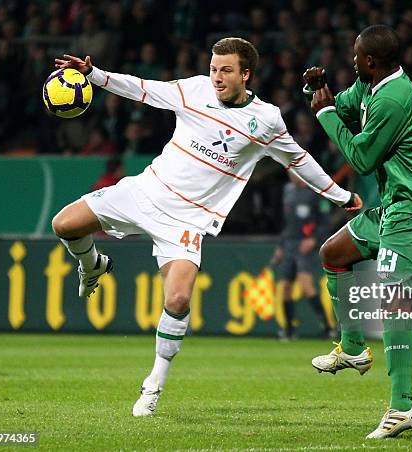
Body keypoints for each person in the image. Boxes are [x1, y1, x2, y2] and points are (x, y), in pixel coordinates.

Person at [51, 38, 362, 418]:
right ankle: (91, 265)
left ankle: (153, 385)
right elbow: (142, 89)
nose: (216, 76)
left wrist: (340, 195)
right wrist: (95, 76)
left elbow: (299, 161)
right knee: (64, 224)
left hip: (186, 220)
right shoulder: (193, 89)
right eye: (214, 68)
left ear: (245, 74)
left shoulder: (265, 120)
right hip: (146, 191)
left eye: (226, 70)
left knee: (179, 300)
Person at [303, 25, 412, 439]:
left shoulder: (392, 99)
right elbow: (343, 107)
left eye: (355, 56)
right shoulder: (373, 85)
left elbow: (362, 158)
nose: (351, 61)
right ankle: (351, 348)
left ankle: (404, 406)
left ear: (370, 61)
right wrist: (320, 91)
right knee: (334, 254)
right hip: (393, 205)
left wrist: (324, 114)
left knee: (394, 301)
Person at [272, 171, 334, 340]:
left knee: (307, 287)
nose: (292, 175)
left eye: (295, 171)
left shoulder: (316, 192)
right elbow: (287, 223)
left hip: (305, 245)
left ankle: (328, 327)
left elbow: (325, 222)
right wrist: (281, 246)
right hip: (290, 245)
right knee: (285, 287)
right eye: (289, 172)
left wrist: (313, 239)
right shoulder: (288, 191)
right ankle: (289, 329)